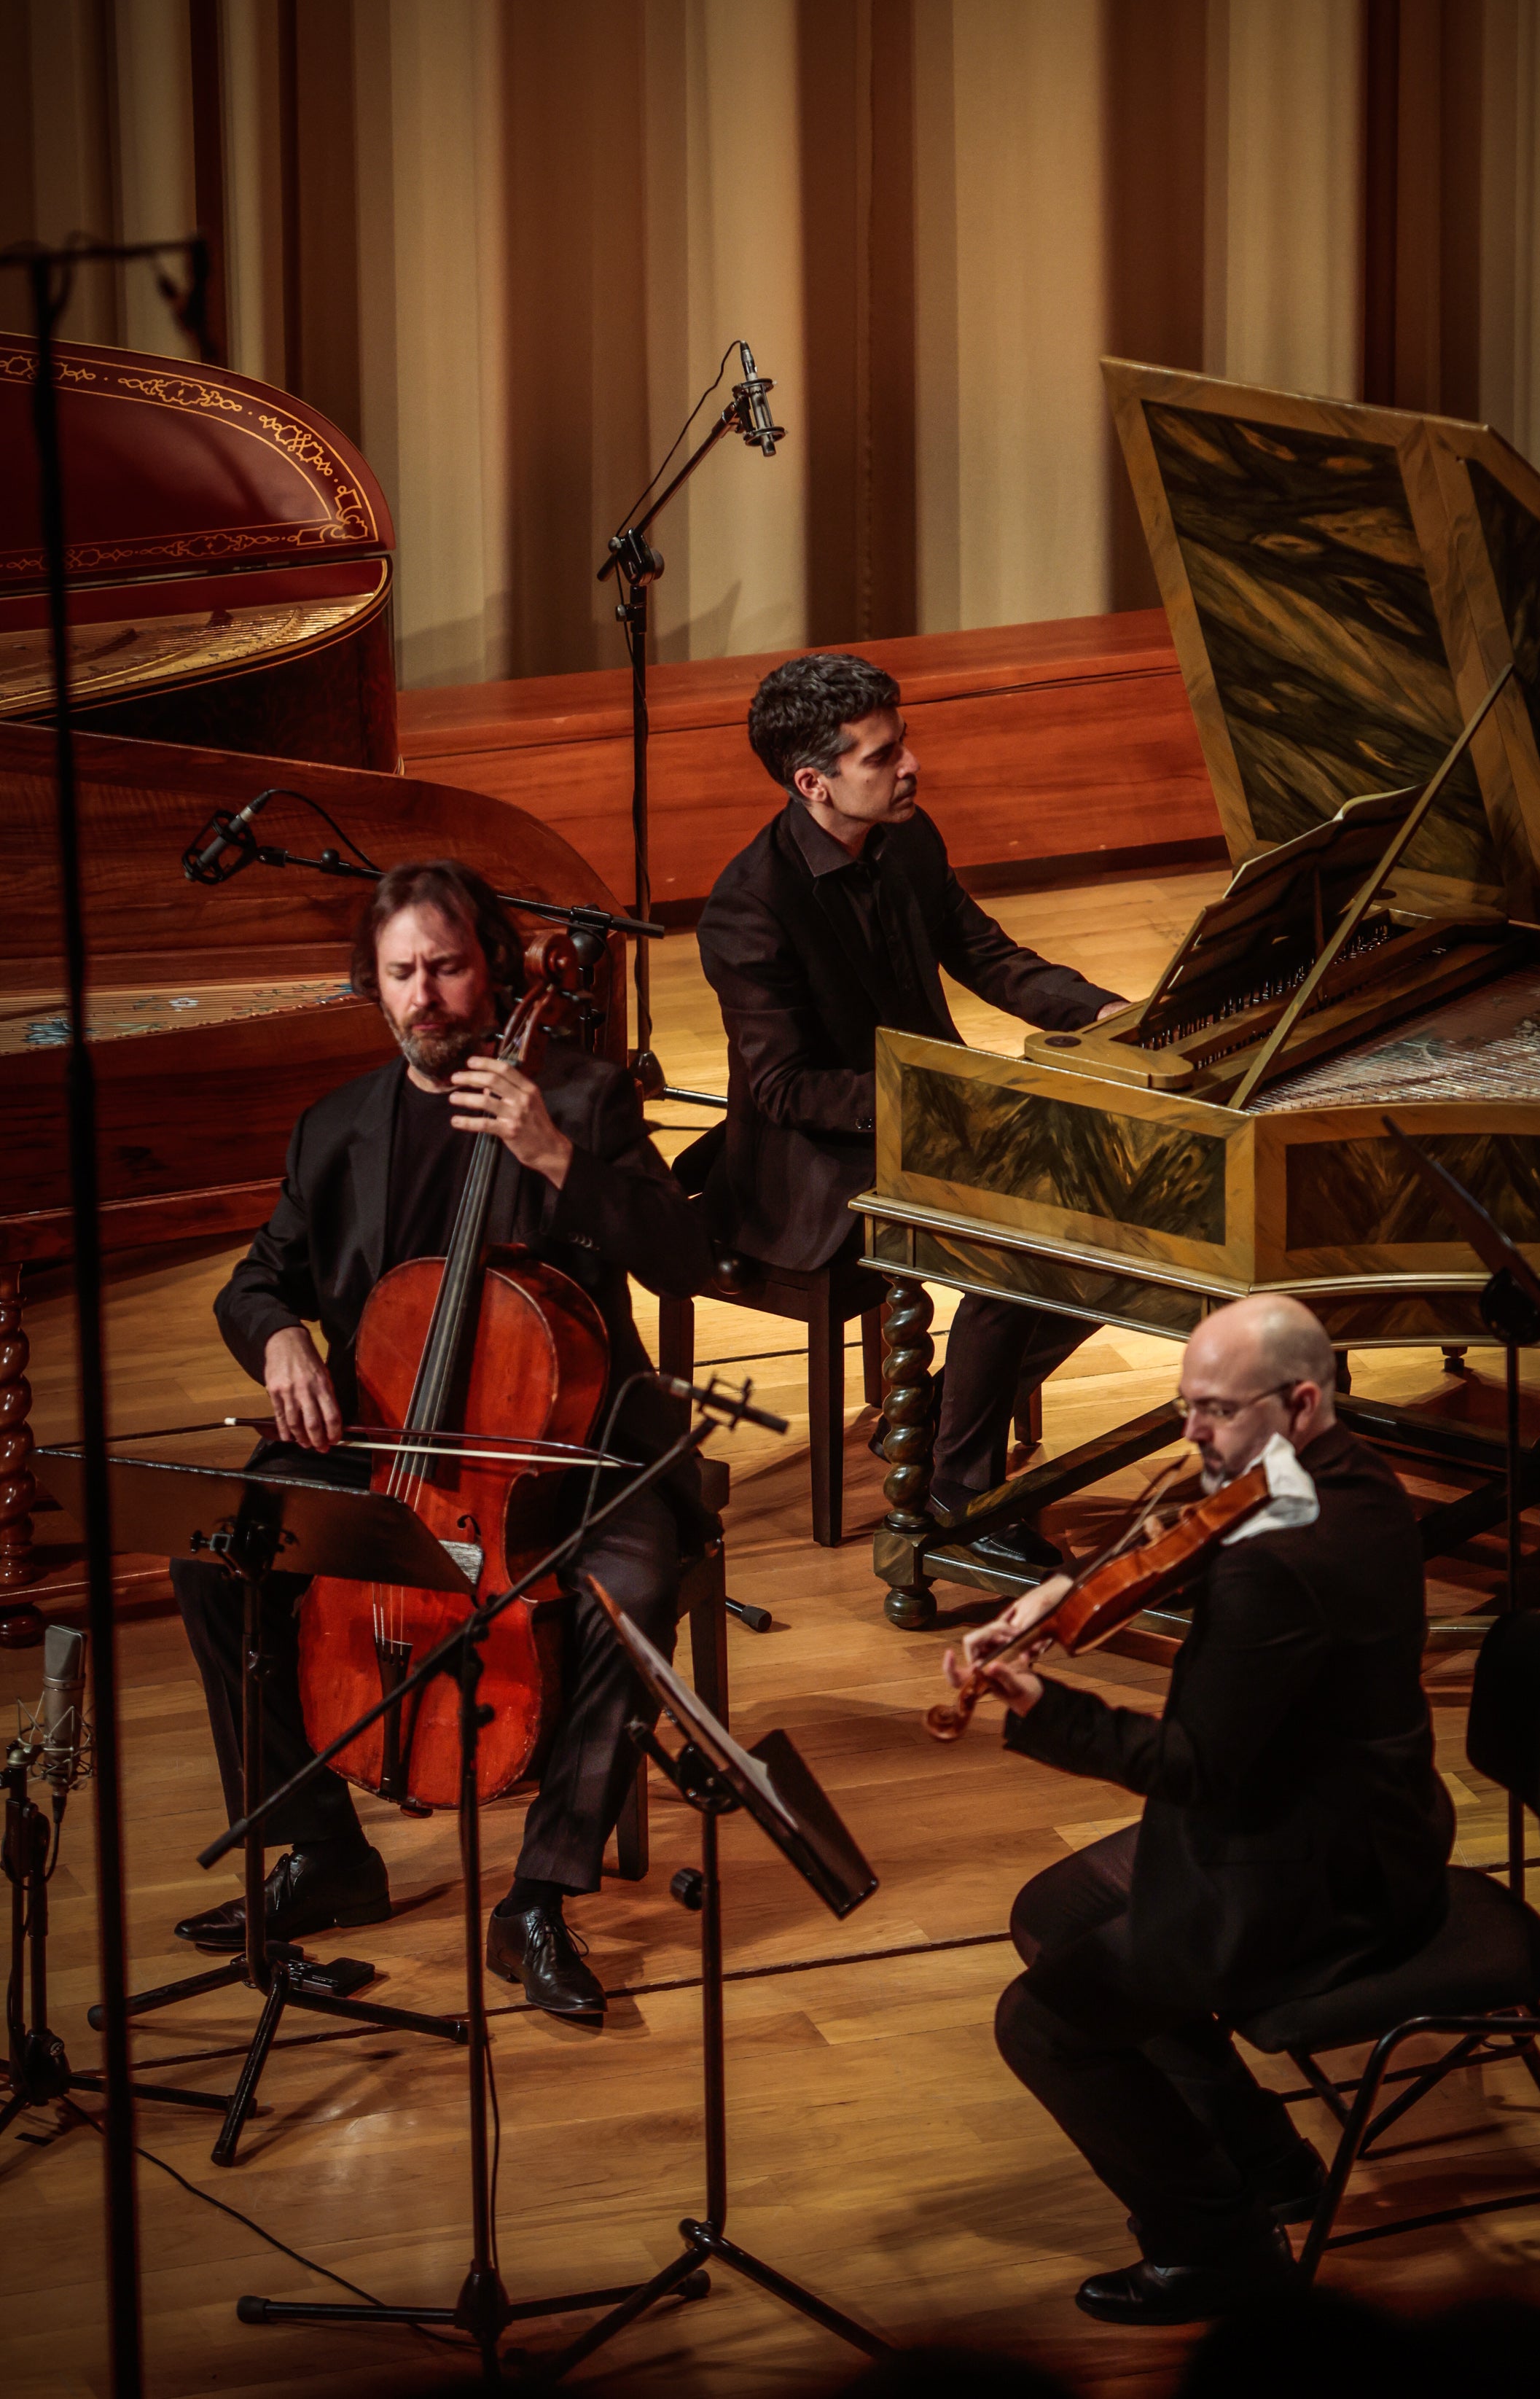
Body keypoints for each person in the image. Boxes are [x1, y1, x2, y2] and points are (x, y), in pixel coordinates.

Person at [171, 859, 714, 2023]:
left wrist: (556, 1158)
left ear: (497, 967)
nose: (428, 996)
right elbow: (258, 1283)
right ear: (373, 988)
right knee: (215, 1554)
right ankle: (322, 1851)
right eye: (402, 973)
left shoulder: (581, 1095)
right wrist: (278, 1343)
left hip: (567, 1449)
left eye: (449, 966)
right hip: (387, 1449)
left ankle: (536, 1898)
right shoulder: (339, 1128)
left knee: (634, 1580)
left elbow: (683, 1258)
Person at [949, 1294, 1454, 2324]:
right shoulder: (1345, 1478)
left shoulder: (1283, 1566)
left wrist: (1048, 1712)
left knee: (1044, 2025)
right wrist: (1062, 1591)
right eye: (1187, 1404)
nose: (1190, 1433)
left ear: (1303, 1400)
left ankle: (1215, 2248)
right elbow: (1190, 1514)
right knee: (1057, 1918)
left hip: (1315, 1874)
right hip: (1355, 1812)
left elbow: (1194, 1765)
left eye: (1215, 1411)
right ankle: (1266, 2164)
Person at [695, 650, 1127, 1564]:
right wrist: (932, 1101)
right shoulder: (747, 907)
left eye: (904, 742)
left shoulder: (907, 839)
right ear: (812, 781)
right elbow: (784, 1088)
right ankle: (957, 1497)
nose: (909, 766)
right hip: (818, 1161)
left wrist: (1115, 1015)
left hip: (928, 1114)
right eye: (882, 755)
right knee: (1020, 1241)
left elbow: (991, 957)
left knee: (1121, 1203)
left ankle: (933, 1423)